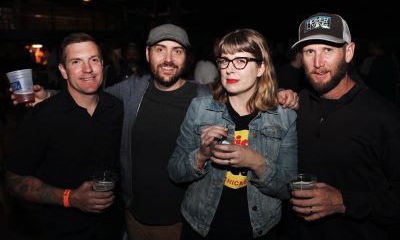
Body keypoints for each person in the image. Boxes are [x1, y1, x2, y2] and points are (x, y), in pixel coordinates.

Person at [12, 24, 299, 240]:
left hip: (185, 220)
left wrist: (282, 94)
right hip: (135, 218)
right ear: (148, 54)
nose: (168, 58)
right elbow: (87, 92)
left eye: (177, 51)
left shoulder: (204, 98)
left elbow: (247, 99)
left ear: (187, 58)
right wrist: (46, 96)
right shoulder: (129, 93)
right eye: (160, 49)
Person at [167, 28, 298, 240]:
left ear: (260, 67)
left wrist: (255, 161)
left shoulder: (283, 117)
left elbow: (288, 187)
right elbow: (175, 171)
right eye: (225, 61)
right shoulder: (200, 109)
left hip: (259, 229)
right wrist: (201, 155)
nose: (229, 69)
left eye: (240, 61)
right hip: (201, 226)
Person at [284, 12, 400, 240]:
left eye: (328, 50)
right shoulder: (296, 105)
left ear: (349, 52)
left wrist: (344, 202)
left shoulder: (383, 117)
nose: (317, 63)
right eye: (310, 52)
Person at [4, 33, 124, 240]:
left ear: (102, 65)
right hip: (61, 230)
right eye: (76, 62)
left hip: (112, 227)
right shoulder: (41, 116)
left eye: (94, 60)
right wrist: (70, 198)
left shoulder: (116, 107)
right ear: (63, 70)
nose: (88, 69)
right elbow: (14, 180)